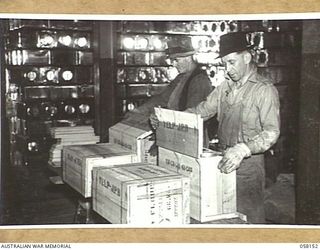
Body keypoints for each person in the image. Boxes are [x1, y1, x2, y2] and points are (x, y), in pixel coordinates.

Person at [151, 32, 280, 224]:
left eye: (232, 62)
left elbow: (271, 132)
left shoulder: (264, 90)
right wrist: (169, 120)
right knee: (225, 219)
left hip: (248, 166)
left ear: (247, 57)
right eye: (225, 64)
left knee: (249, 220)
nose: (228, 69)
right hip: (222, 159)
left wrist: (243, 149)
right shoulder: (225, 87)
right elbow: (201, 111)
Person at [123, 38, 214, 146]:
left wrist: (162, 118)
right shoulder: (181, 77)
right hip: (177, 134)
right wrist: (139, 111)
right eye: (172, 61)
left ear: (188, 58)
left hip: (191, 140)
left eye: (176, 60)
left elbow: (191, 117)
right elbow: (162, 98)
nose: (173, 65)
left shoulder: (199, 81)